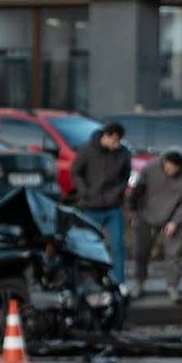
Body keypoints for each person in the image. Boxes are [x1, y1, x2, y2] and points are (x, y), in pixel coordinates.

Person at [69, 122, 136, 287]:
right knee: (90, 246)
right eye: (114, 141)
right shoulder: (87, 150)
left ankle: (119, 282)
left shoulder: (123, 153)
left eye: (119, 141)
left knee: (118, 245)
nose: (116, 145)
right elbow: (75, 171)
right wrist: (84, 191)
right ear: (105, 137)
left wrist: (119, 191)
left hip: (113, 207)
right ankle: (89, 281)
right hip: (91, 207)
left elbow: (126, 174)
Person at [129, 150, 182, 303]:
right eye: (169, 168)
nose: (170, 171)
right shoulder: (150, 169)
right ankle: (139, 282)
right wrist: (134, 211)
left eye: (174, 170)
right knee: (141, 251)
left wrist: (175, 221)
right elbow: (138, 191)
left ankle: (173, 287)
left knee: (173, 254)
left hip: (171, 218)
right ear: (164, 161)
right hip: (147, 214)